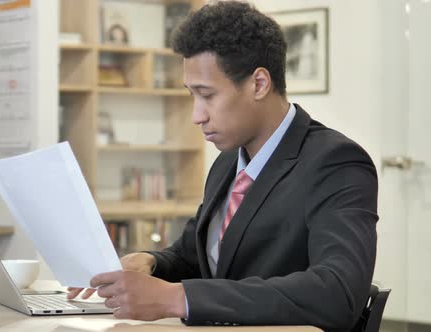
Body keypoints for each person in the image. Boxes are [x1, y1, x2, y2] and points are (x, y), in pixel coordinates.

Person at [68, 2, 378, 330]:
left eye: (207, 95)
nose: (196, 115)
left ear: (259, 84)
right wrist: (151, 263)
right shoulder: (228, 161)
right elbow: (196, 258)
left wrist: (176, 298)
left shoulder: (336, 162)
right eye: (192, 95)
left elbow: (338, 293)